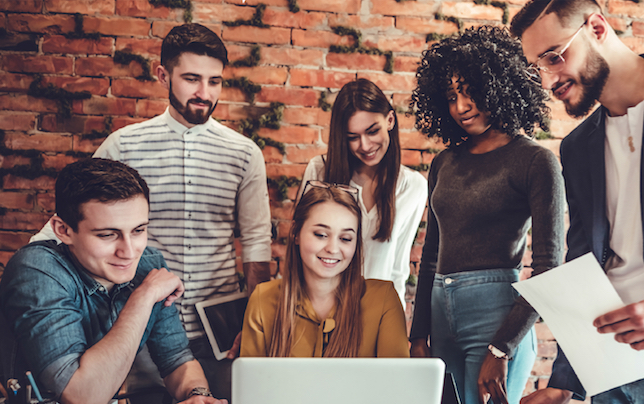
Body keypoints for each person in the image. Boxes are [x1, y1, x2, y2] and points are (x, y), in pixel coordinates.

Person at [30, 23, 272, 400]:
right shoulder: (122, 146)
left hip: (223, 329)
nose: (204, 93)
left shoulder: (245, 153)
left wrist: (257, 324)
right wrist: (31, 269)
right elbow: (74, 220)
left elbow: (257, 244)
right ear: (163, 75)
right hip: (142, 320)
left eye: (215, 81)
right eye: (192, 79)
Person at [408, 26, 565, 404]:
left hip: (496, 317)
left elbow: (548, 266)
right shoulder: (444, 162)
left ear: (498, 85)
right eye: (451, 96)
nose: (461, 106)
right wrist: (418, 334)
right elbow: (431, 253)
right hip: (440, 316)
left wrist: (502, 348)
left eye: (471, 90)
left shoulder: (535, 161)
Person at [0, 158, 226, 404]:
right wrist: (143, 297)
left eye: (138, 230)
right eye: (108, 235)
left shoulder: (149, 263)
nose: (129, 252)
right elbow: (82, 395)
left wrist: (197, 395)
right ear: (63, 230)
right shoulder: (37, 269)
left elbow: (177, 359)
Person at [511, 0, 644, 403]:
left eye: (554, 56)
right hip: (611, 366)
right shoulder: (578, 146)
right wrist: (564, 381)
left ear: (598, 28)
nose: (549, 80)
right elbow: (585, 260)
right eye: (538, 67)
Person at [297, 78, 427, 306]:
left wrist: (394, 326)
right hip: (320, 308)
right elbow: (300, 250)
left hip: (376, 313)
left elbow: (397, 268)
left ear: (390, 120)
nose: (365, 146)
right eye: (353, 138)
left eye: (372, 131)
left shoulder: (413, 186)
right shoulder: (319, 171)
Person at [241, 184, 409, 357]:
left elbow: (398, 382)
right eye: (321, 235)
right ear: (296, 234)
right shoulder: (262, 300)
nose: (333, 249)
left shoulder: (384, 300)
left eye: (345, 238)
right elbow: (251, 382)